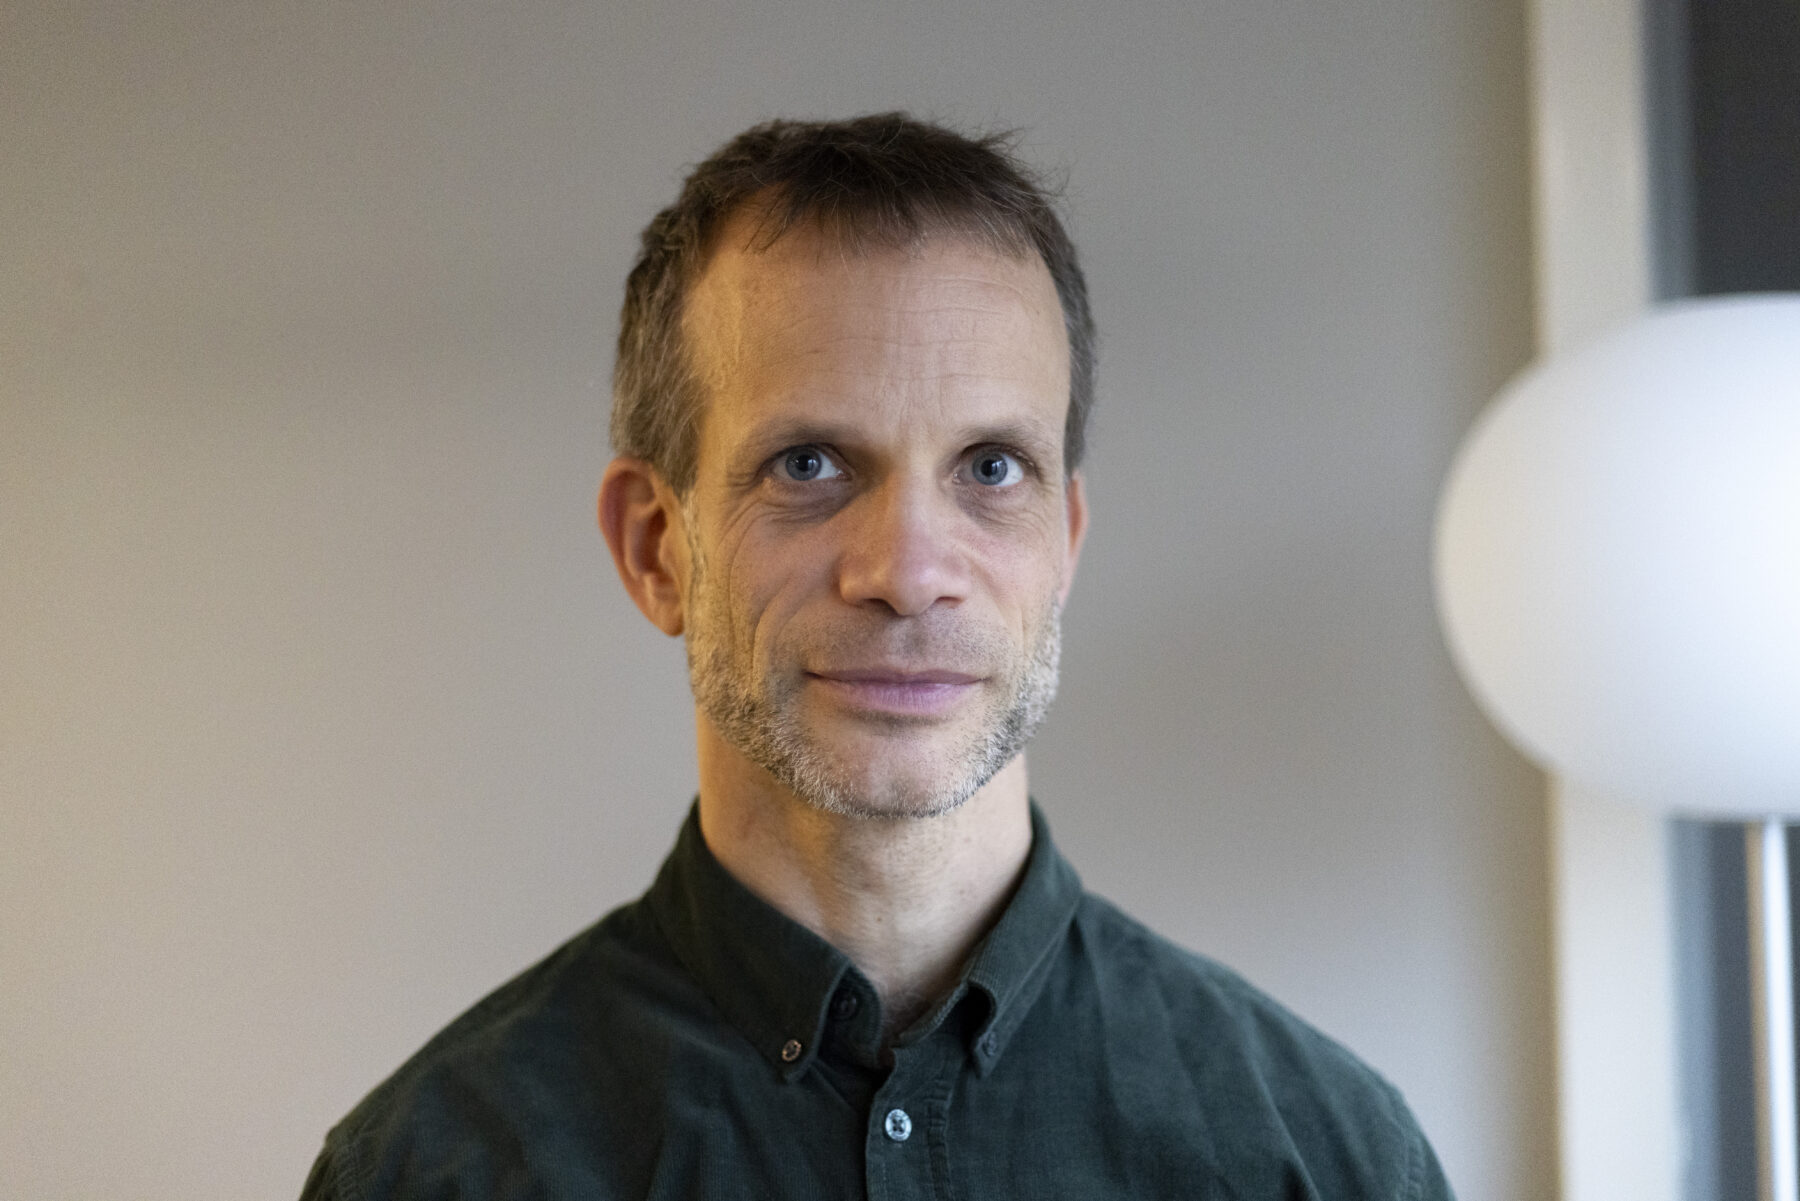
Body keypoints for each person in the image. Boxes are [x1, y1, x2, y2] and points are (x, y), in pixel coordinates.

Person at [300, 112, 1454, 1200]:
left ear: (1064, 542)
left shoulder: (1326, 1156)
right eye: (810, 464)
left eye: (991, 468)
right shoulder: (431, 1167)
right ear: (658, 548)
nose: (907, 570)